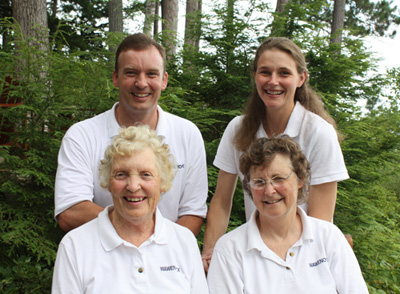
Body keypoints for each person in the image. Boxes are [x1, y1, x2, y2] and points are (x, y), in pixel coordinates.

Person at [202, 36, 349, 269]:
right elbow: (221, 202)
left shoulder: (320, 133)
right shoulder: (238, 129)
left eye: (284, 73)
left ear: (301, 78)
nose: (273, 81)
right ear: (255, 77)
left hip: (306, 258)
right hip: (252, 254)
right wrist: (211, 254)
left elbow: (320, 220)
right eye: (265, 72)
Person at [54, 33, 207, 235]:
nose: (141, 83)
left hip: (166, 262)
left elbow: (193, 213)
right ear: (116, 78)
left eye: (152, 74)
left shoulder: (188, 134)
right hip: (102, 260)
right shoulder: (81, 135)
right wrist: (139, 233)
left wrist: (159, 249)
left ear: (164, 80)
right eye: (131, 73)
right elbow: (70, 211)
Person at [52, 125, 209, 293]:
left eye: (146, 175)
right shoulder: (75, 246)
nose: (133, 186)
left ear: (162, 182)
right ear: (108, 182)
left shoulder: (184, 241)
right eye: (121, 174)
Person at [207, 136, 368, 293]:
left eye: (278, 179)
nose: (269, 191)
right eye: (259, 182)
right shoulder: (230, 250)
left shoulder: (329, 237)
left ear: (300, 179)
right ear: (249, 188)